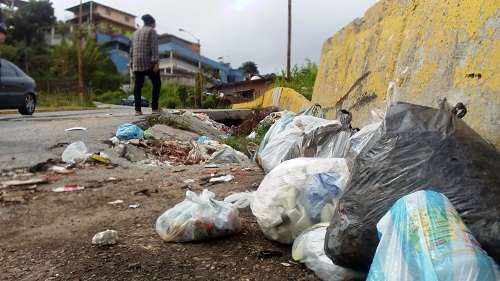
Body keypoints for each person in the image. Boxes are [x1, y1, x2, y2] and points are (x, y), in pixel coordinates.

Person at [129, 14, 162, 116]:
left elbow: (131, 49)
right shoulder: (151, 31)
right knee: (157, 83)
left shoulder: (135, 33)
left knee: (138, 85)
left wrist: (131, 62)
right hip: (148, 62)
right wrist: (155, 63)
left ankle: (137, 110)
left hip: (136, 63)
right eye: (154, 24)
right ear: (151, 23)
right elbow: (154, 47)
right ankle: (155, 107)